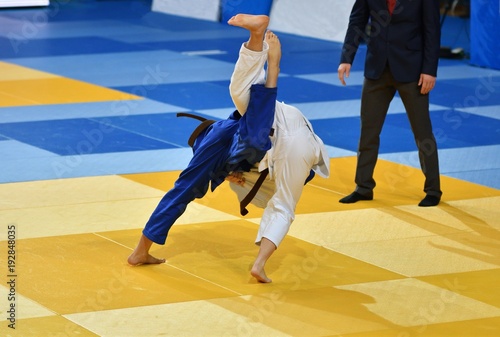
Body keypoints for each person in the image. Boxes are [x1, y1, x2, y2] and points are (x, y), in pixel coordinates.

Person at [128, 14, 330, 283]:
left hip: (275, 133)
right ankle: (259, 264)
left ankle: (140, 251)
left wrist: (274, 66)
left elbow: (257, 125)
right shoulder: (228, 137)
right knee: (283, 204)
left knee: (194, 185)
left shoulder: (219, 141)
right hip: (300, 142)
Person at [337, 0, 442, 207]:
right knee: (368, 131)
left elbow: (432, 30)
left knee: (423, 133)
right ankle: (363, 187)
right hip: (377, 69)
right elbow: (357, 21)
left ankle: (433, 190)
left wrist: (430, 70)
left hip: (412, 71)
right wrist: (346, 57)